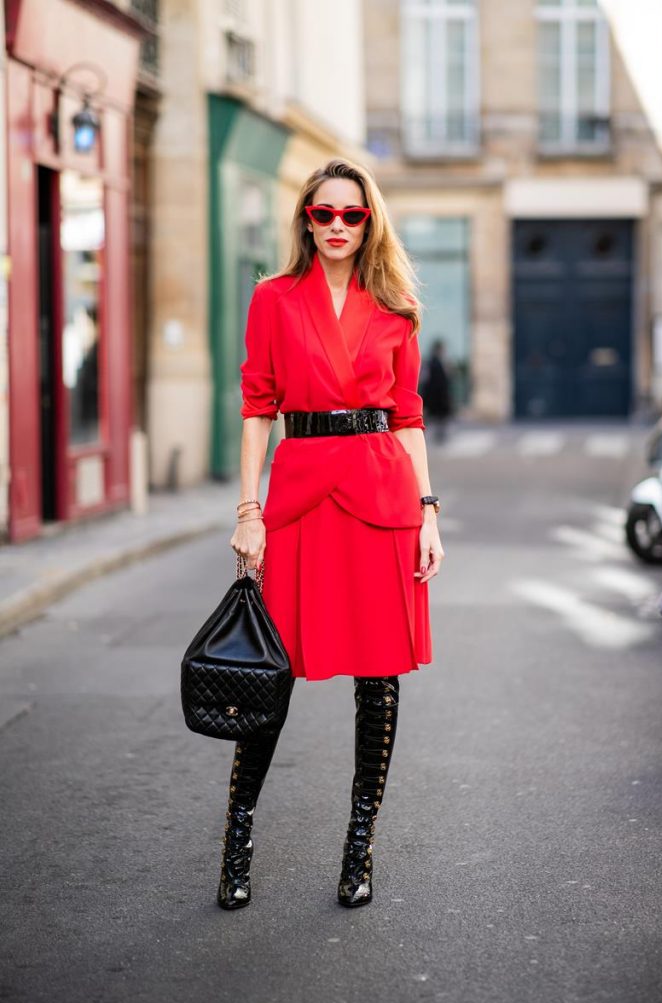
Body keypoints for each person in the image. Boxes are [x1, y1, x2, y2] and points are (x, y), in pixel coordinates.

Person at [221, 157, 445, 911]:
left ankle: (359, 850)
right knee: (268, 677)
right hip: (300, 497)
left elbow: (408, 419)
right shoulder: (273, 300)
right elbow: (258, 407)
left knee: (376, 684)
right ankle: (237, 841)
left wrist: (429, 513)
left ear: (369, 221)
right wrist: (247, 512)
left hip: (382, 499)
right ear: (305, 221)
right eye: (324, 215)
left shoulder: (397, 308)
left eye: (352, 215)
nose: (338, 227)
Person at [421, 338, 454, 444]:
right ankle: (437, 436)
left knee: (436, 418)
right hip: (437, 396)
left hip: (434, 396)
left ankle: (437, 436)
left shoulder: (432, 362)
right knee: (439, 418)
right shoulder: (436, 363)